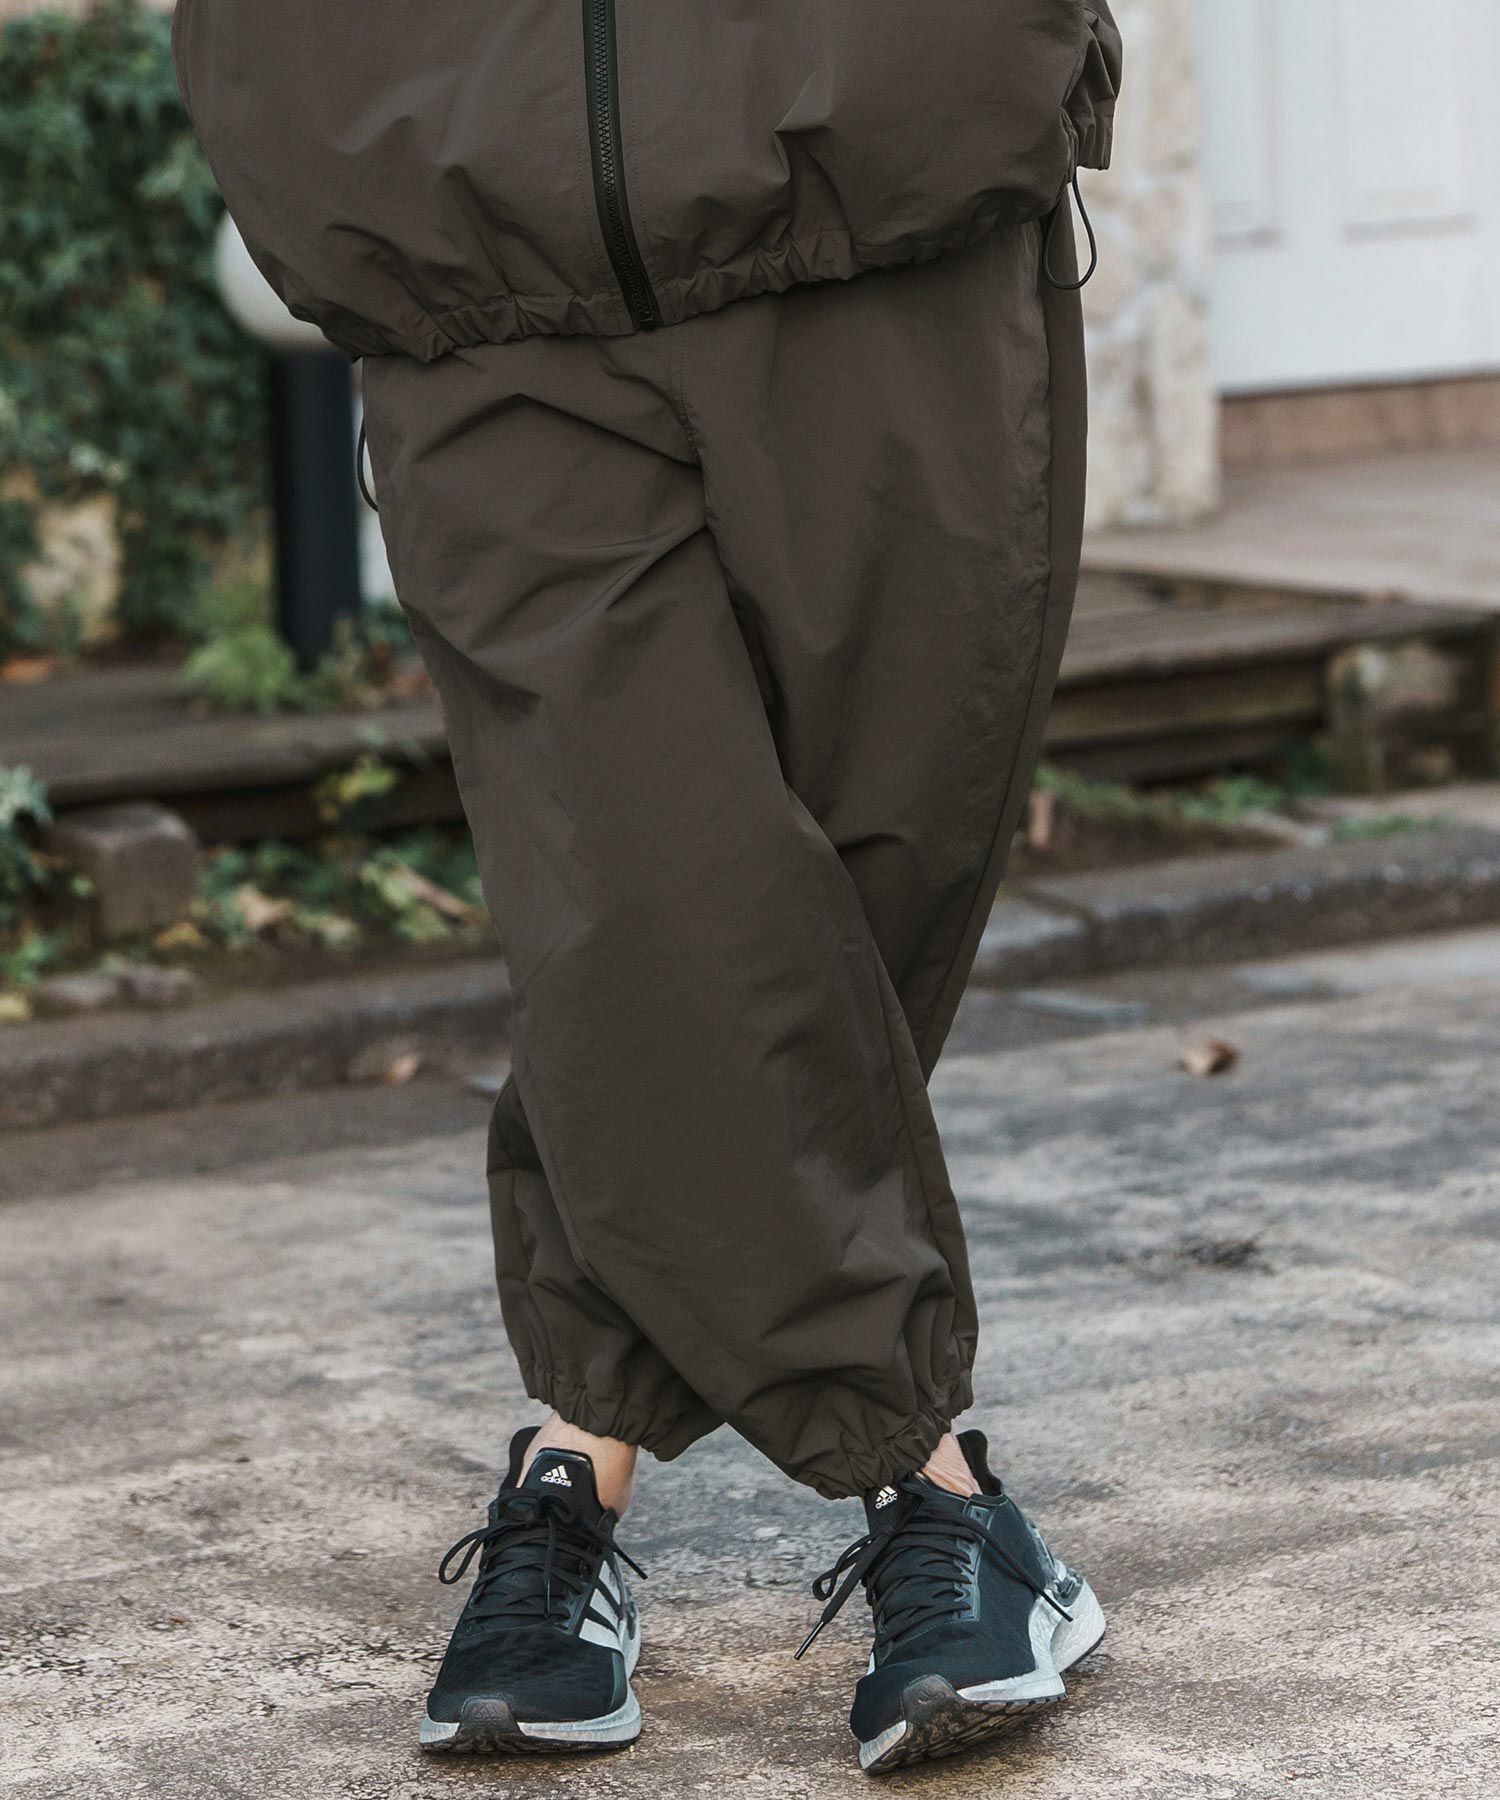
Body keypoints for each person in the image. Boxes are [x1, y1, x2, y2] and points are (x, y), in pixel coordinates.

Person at [173, 0, 1122, 1773]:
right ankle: (927, 1479)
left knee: (873, 870)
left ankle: (577, 1456)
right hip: (450, 200)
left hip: (873, 150)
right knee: (634, 890)